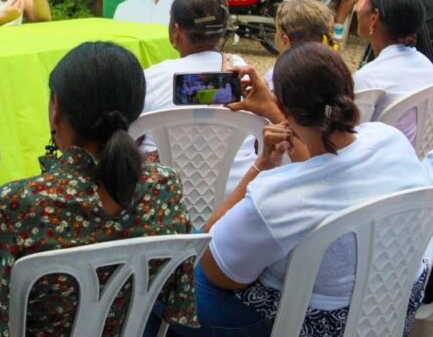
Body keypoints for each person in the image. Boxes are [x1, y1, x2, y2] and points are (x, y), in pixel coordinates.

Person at [0, 41, 197, 336]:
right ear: (136, 110)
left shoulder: (19, 204)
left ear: (56, 110)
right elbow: (176, 296)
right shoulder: (165, 187)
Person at [159, 43, 429, 336]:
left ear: (286, 107)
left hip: (309, 326)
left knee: (169, 275)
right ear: (348, 92)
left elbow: (213, 265)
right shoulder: (391, 140)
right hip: (389, 312)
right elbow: (325, 171)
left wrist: (262, 164)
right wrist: (277, 113)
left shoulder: (275, 198)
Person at [139, 0, 255, 194]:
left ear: (176, 30)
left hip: (164, 199)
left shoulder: (151, 79)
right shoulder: (245, 73)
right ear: (222, 29)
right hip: (237, 195)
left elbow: (131, 139)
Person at [354, 0, 433, 144]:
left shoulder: (369, 78)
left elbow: (346, 133)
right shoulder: (426, 64)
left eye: (366, 2)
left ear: (374, 17)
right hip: (417, 155)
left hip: (379, 157)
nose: (359, 9)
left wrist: (326, 106)